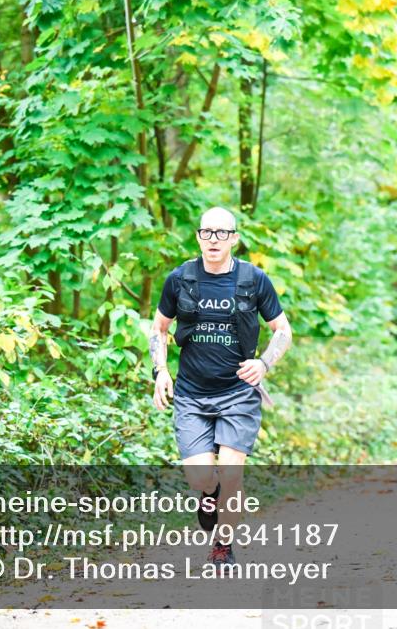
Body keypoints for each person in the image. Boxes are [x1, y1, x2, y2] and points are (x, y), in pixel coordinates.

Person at [149, 206, 293, 565]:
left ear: (234, 238)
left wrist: (263, 362)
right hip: (191, 395)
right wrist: (161, 372)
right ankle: (207, 494)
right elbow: (159, 329)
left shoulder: (253, 279)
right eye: (207, 232)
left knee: (231, 473)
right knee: (201, 478)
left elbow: (283, 331)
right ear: (198, 236)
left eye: (221, 233)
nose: (213, 239)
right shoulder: (180, 279)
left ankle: (223, 546)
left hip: (238, 394)